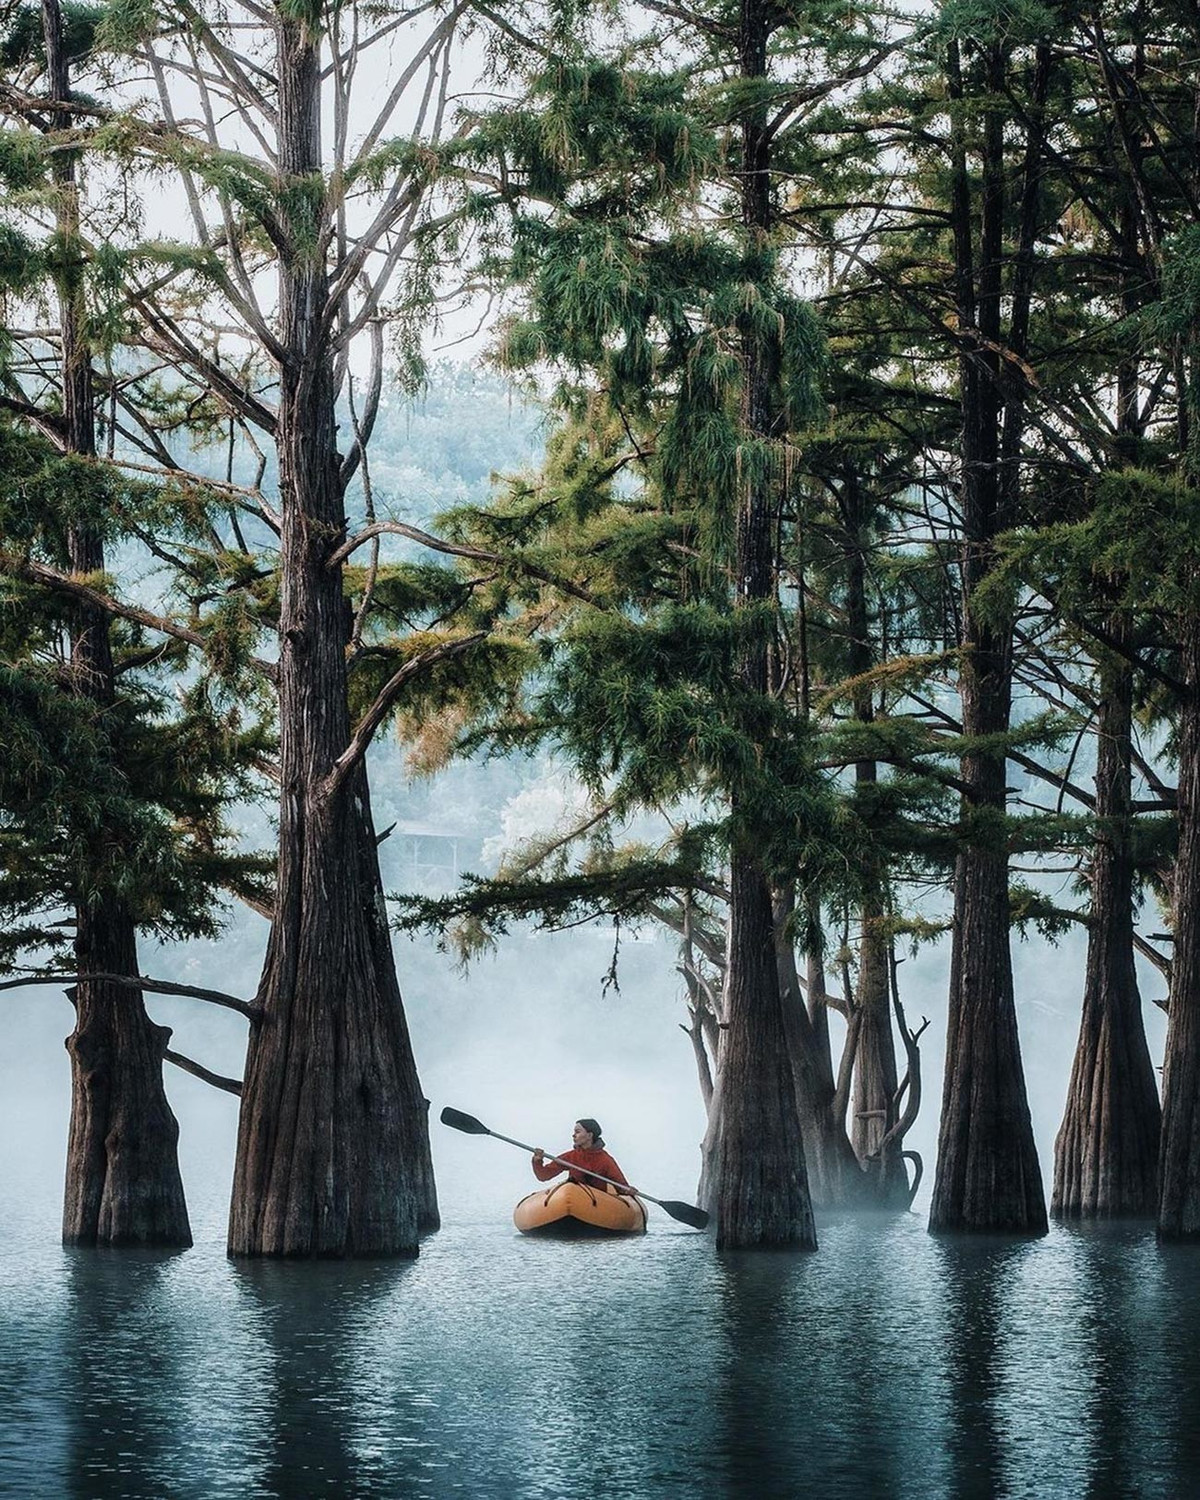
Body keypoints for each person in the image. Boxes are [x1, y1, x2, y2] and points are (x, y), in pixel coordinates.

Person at [532, 1119, 632, 1196]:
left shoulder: (605, 1160)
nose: (573, 1135)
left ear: (589, 1135)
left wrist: (628, 1190)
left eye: (578, 1132)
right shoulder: (571, 1156)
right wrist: (537, 1161)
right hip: (574, 1197)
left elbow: (621, 1186)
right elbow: (543, 1175)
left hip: (598, 1203)